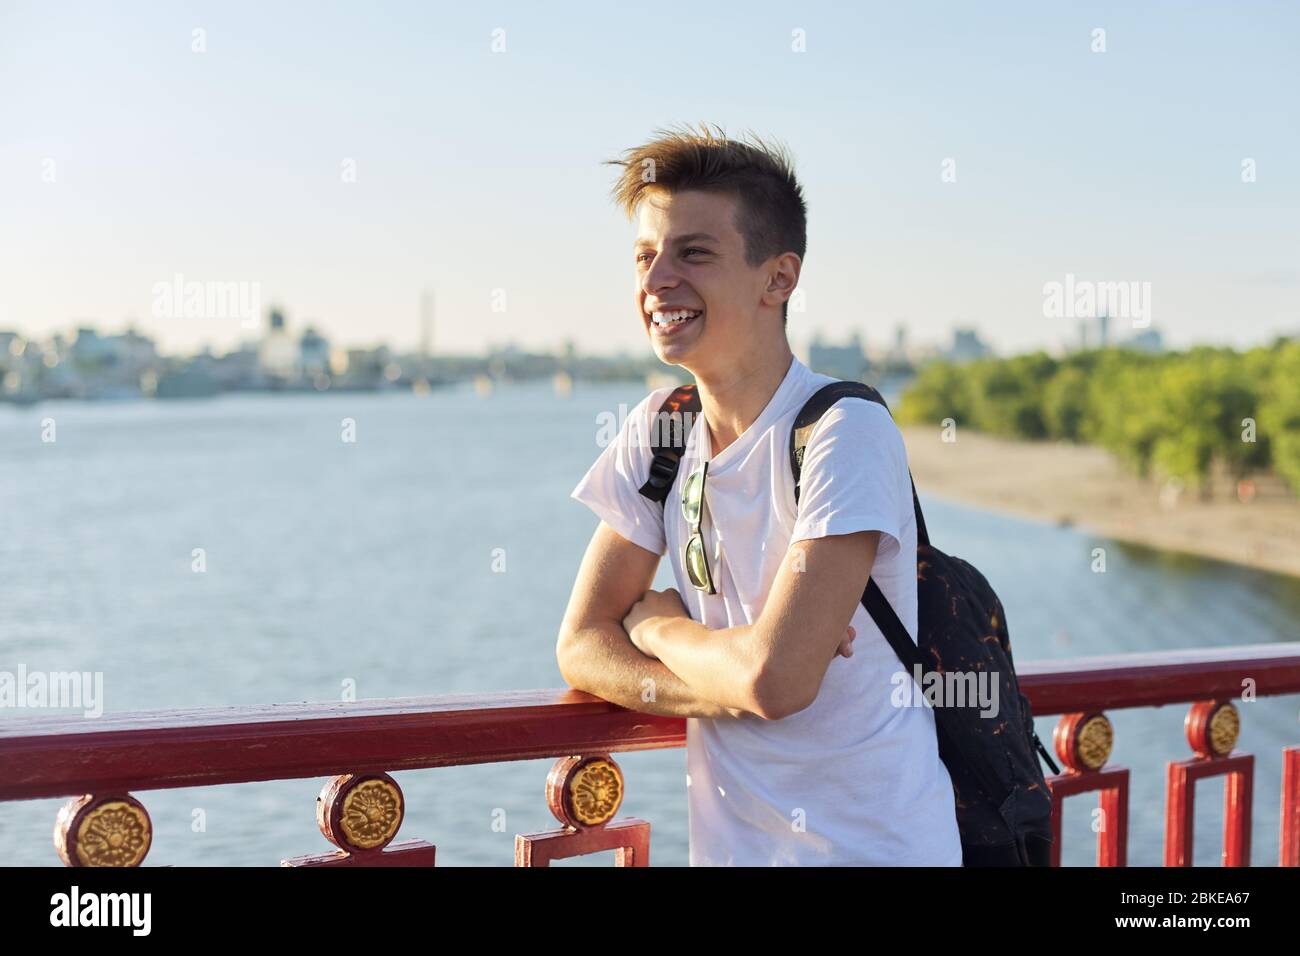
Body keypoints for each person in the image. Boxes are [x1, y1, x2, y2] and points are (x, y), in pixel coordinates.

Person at [558, 123, 961, 866]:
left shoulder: (845, 430)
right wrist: (730, 677)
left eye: (694, 253)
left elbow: (775, 680)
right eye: (645, 256)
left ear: (778, 278)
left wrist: (656, 628)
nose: (654, 283)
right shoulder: (661, 432)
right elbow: (581, 645)